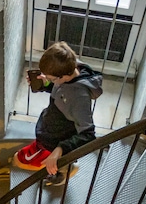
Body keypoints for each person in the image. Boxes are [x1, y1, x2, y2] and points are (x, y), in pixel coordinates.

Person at [14, 41, 103, 185]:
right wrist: (47, 84)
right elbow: (63, 94)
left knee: (21, 160)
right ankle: (63, 167)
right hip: (51, 127)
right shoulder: (73, 67)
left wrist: (59, 149)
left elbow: (88, 135)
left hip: (55, 139)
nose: (48, 79)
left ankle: (62, 171)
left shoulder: (80, 97)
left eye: (51, 78)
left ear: (63, 76)